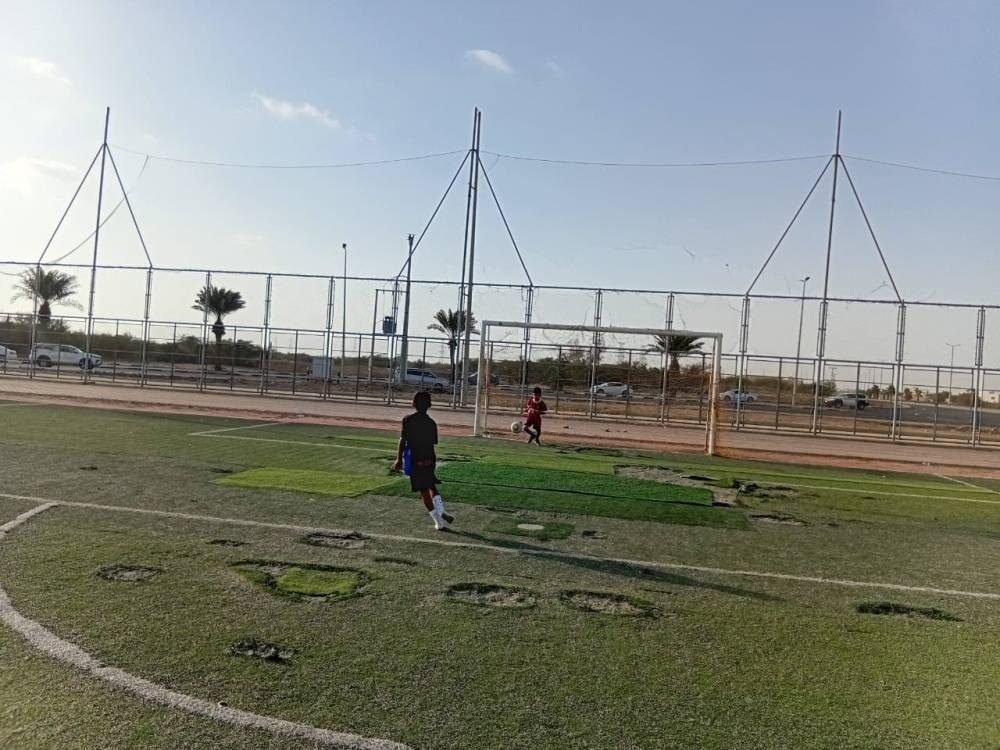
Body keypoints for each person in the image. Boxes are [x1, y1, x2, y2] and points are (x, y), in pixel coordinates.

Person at [392, 391, 454, 530]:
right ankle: (441, 509)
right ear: (429, 405)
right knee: (431, 485)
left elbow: (403, 440)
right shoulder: (432, 423)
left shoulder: (408, 420)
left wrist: (399, 459)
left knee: (424, 491)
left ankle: (439, 522)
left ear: (413, 404)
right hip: (430, 459)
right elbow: (433, 443)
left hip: (415, 459)